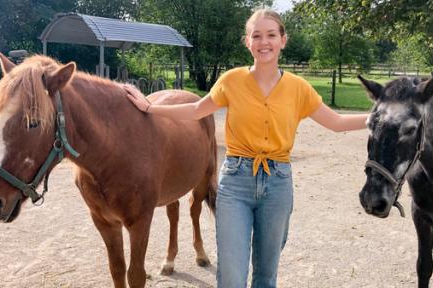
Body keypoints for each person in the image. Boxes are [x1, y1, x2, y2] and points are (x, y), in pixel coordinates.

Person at [124, 9, 368, 288]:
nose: (264, 42)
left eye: (271, 35)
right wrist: (150, 108)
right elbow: (195, 109)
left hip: (277, 184)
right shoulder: (231, 81)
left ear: (283, 40)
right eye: (257, 36)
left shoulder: (299, 88)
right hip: (236, 183)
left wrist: (378, 117)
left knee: (265, 276)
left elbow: (336, 122)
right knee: (231, 277)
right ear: (247, 42)